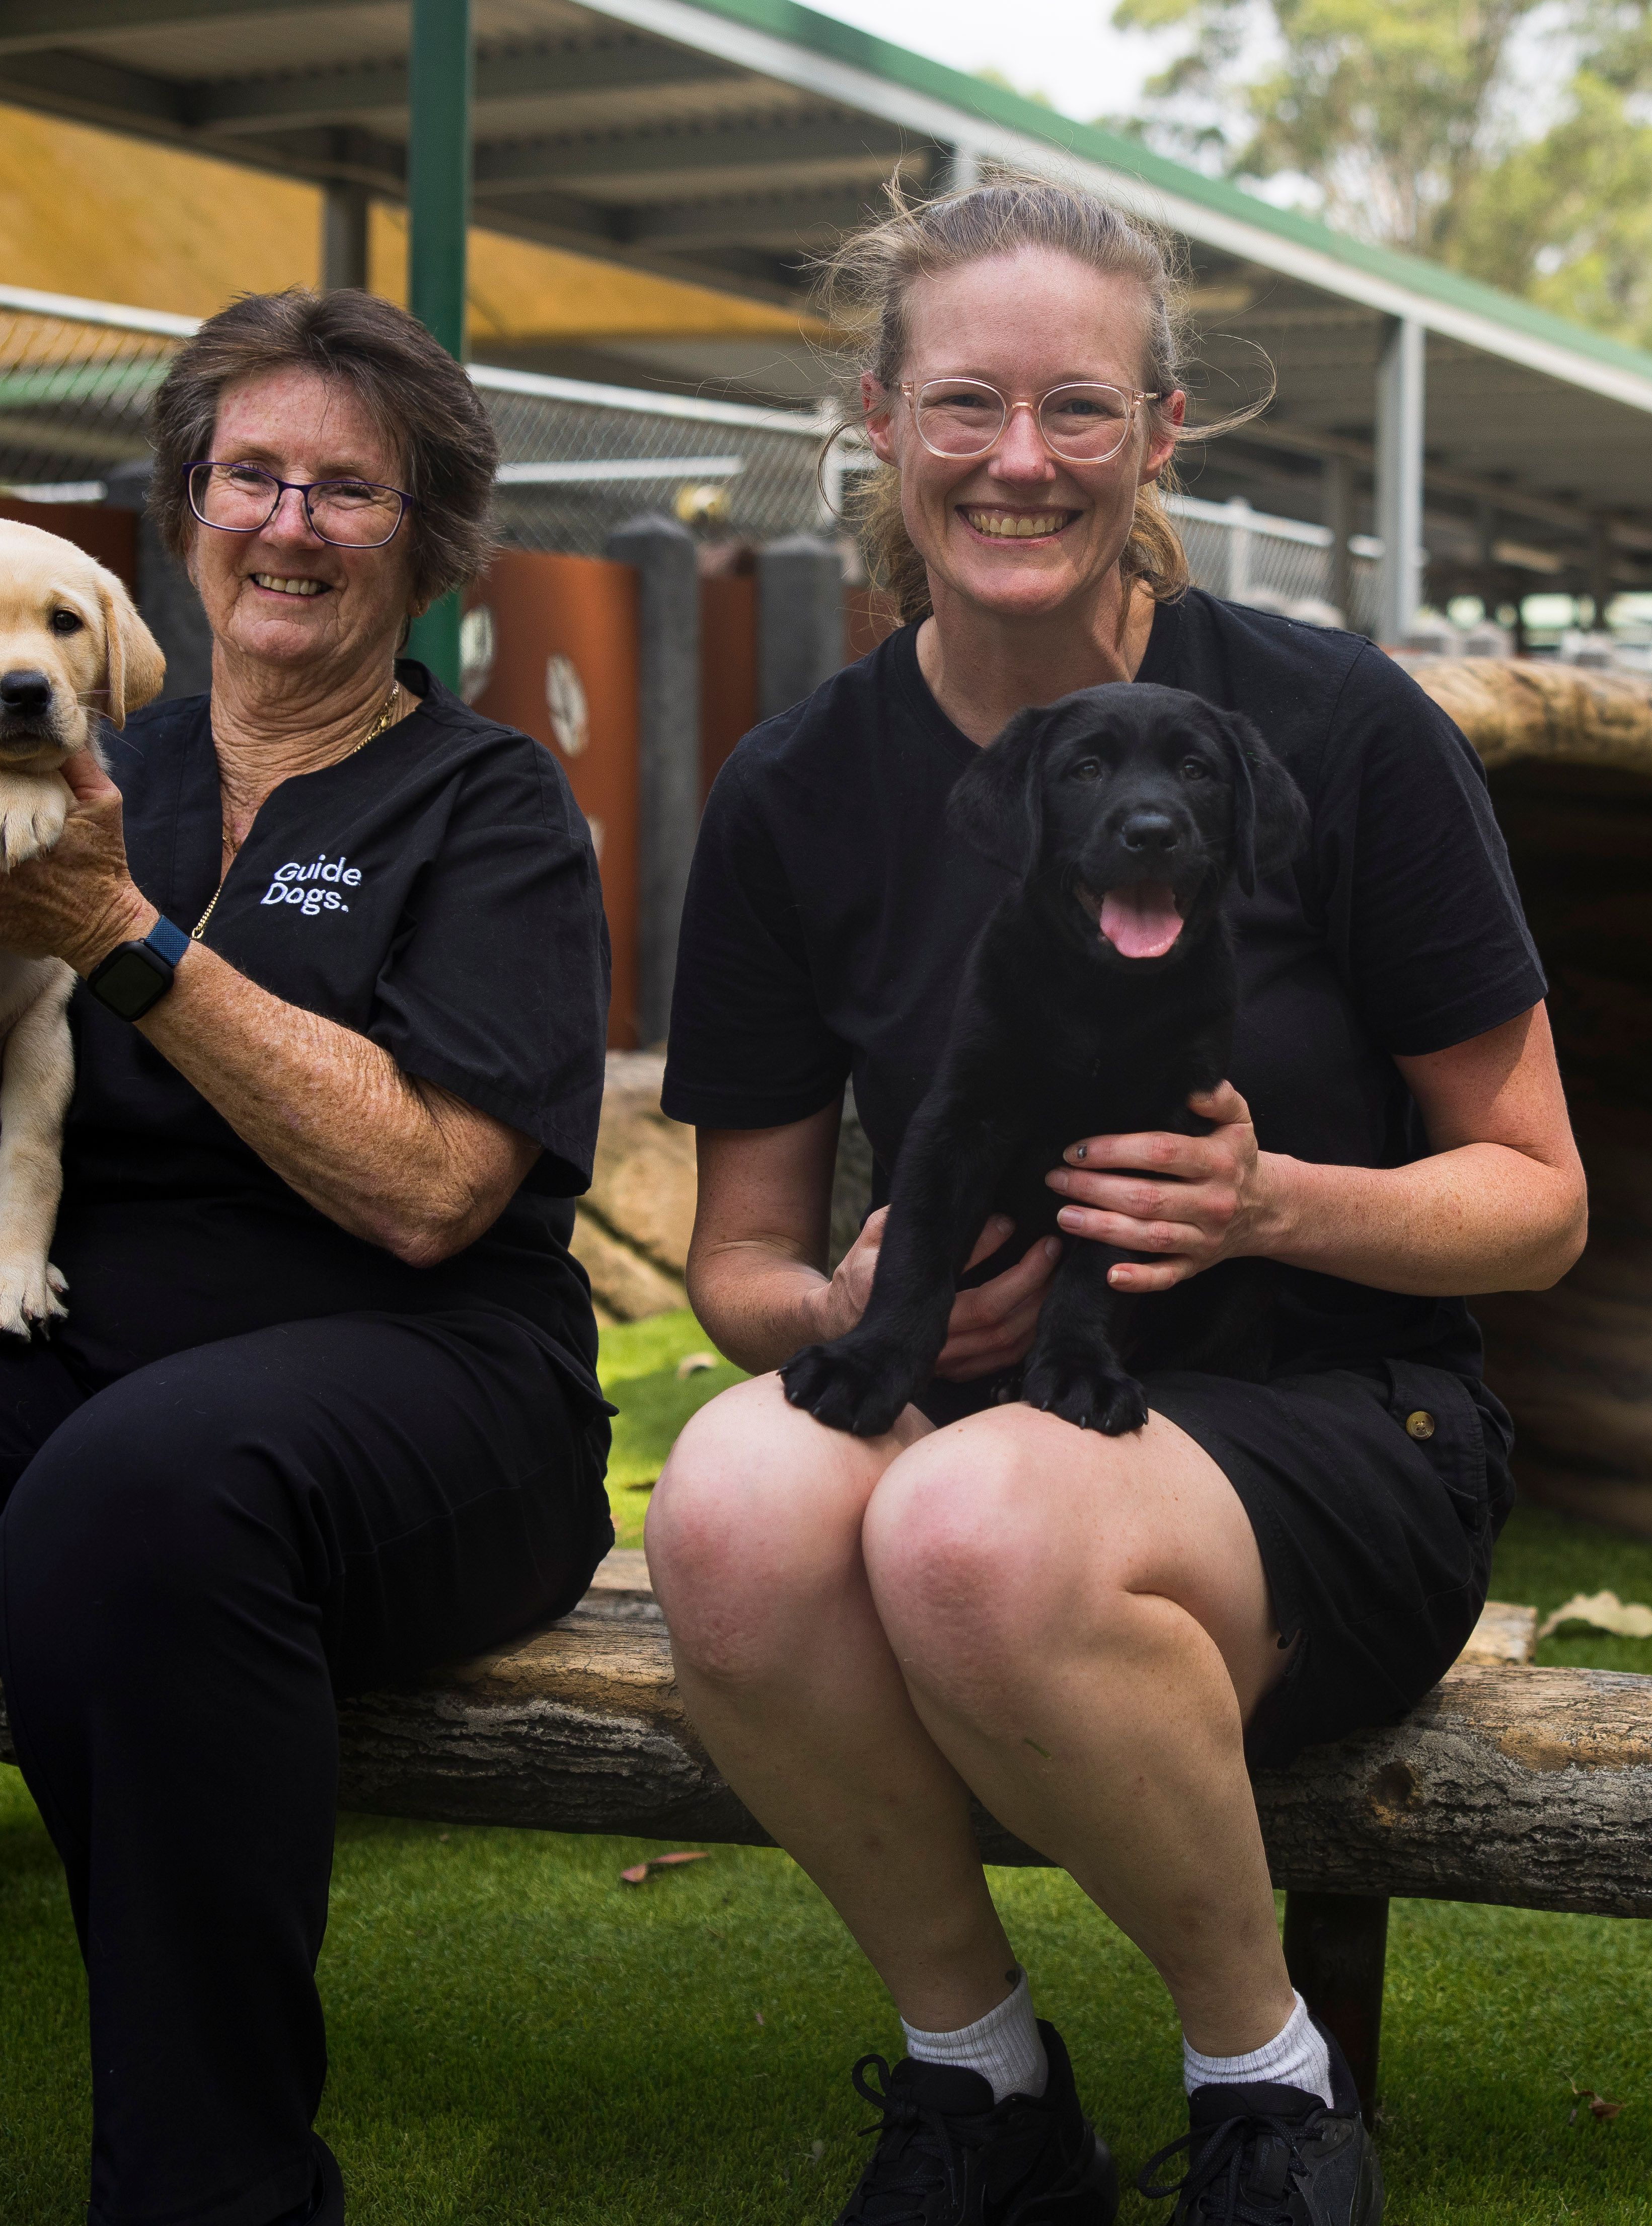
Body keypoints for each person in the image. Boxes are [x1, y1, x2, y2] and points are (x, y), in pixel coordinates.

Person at [644, 175, 1590, 2225]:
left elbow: (1536, 1199)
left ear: (1158, 435)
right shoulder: (797, 790)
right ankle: (978, 2083)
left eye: (1077, 410)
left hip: (1344, 1423)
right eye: (965, 404)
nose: (1016, 461)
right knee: (723, 1509)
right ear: (880, 420)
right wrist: (854, 1308)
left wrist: (1270, 1203)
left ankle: (1264, 2089)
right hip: (1005, 1401)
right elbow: (735, 1258)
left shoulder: (1333, 731)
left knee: (971, 1530)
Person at [0, 291, 617, 2226]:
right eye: (252, 476)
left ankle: (212, 2187)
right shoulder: (55, 752)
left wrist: (120, 935)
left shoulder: (485, 805)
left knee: (143, 1495)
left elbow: (430, 1192)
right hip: (91, 1319)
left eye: (352, 488)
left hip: (429, 1372)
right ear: (184, 517)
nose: (294, 523)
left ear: (424, 539)